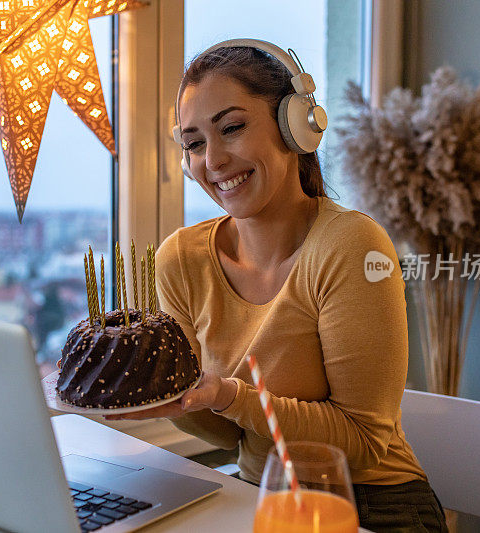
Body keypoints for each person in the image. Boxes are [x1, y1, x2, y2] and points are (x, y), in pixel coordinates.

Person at [104, 39, 448, 532]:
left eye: (233, 128)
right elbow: (225, 434)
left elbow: (364, 440)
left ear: (296, 127)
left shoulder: (353, 246)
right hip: (259, 494)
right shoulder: (180, 259)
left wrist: (229, 395)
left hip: (372, 504)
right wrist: (175, 400)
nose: (214, 159)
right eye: (195, 142)